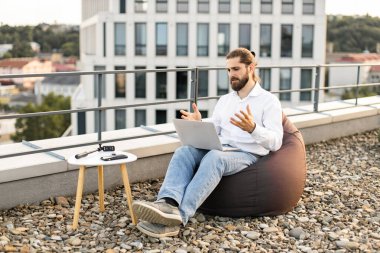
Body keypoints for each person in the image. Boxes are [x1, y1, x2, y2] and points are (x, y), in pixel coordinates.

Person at [132, 48, 283, 238]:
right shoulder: (225, 100)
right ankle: (167, 203)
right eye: (228, 70)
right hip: (222, 148)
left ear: (251, 68)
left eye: (236, 69)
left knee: (214, 158)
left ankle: (179, 217)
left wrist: (253, 128)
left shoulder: (268, 101)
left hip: (247, 154)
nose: (231, 75)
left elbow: (276, 142)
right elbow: (216, 130)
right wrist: (199, 123)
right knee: (184, 151)